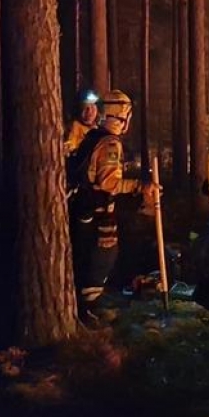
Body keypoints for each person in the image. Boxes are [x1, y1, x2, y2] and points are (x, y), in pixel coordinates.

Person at [67, 89, 160, 321]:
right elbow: (109, 183)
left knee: (94, 254)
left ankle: (89, 300)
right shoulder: (109, 143)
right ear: (122, 116)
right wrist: (140, 186)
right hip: (97, 210)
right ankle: (91, 307)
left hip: (83, 208)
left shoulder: (93, 136)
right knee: (104, 253)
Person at [64, 88, 101, 155]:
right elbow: (70, 146)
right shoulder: (74, 127)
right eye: (85, 107)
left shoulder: (98, 128)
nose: (89, 111)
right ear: (78, 110)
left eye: (92, 106)